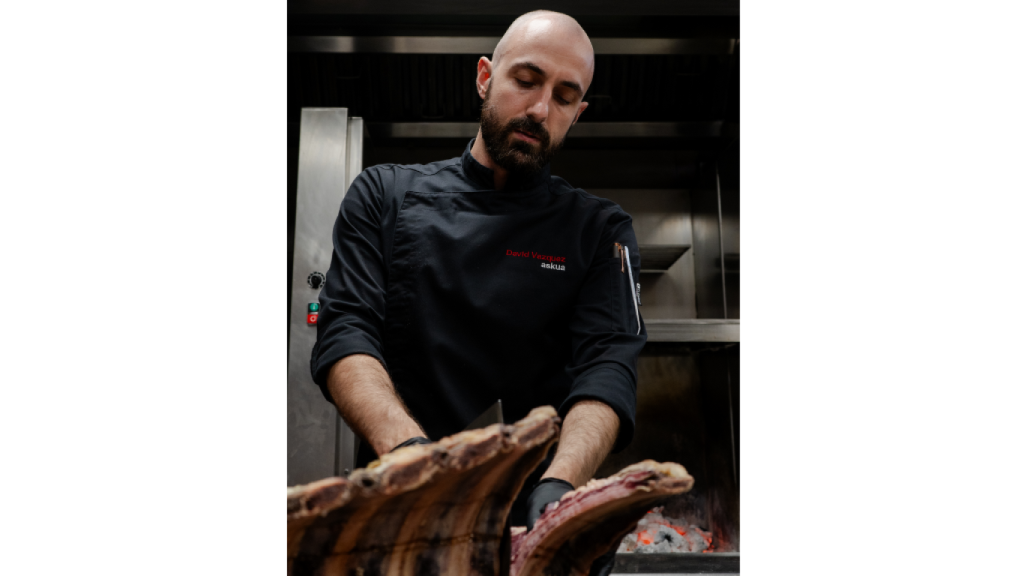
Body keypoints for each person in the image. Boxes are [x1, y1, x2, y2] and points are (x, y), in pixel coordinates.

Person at [310, 10, 645, 574]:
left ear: (578, 113)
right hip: (403, 509)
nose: (540, 110)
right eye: (526, 80)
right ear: (486, 77)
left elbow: (608, 369)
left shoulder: (600, 229)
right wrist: (414, 461)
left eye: (565, 97)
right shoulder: (384, 195)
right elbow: (346, 334)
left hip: (536, 519)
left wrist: (562, 487)